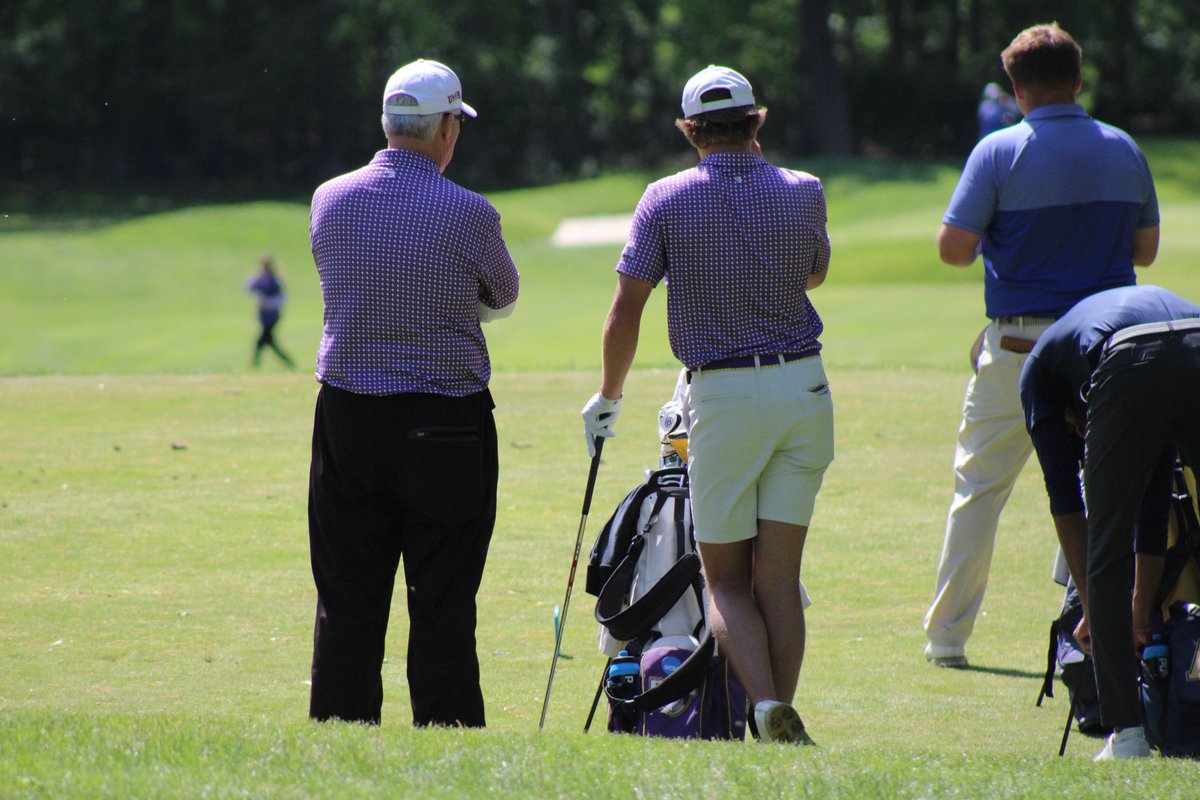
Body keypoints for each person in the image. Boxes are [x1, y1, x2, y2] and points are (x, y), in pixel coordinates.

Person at [580, 65, 834, 744]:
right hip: (805, 390)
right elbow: (812, 273)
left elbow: (624, 310)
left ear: (688, 130)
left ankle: (762, 706)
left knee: (725, 582)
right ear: (758, 123)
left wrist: (609, 396)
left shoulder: (664, 198)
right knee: (778, 579)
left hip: (723, 395)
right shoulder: (804, 190)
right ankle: (778, 715)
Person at [922, 23, 1161, 669]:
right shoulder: (1123, 147)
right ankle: (1082, 613)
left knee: (978, 490)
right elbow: (1145, 250)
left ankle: (947, 638)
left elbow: (953, 249)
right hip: (1107, 348)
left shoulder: (998, 151)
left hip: (1019, 346)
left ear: (1016, 89)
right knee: (1097, 484)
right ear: (1078, 81)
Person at [306, 59, 519, 727]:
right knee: (444, 598)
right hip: (445, 423)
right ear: (446, 128)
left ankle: (341, 738)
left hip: (348, 418)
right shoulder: (471, 213)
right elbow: (503, 296)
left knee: (348, 592)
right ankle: (449, 741)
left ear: (389, 124)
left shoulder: (329, 198)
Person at [1020, 285, 1200, 760]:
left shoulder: (1036, 374)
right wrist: (1138, 604)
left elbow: (1067, 502)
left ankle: (1127, 735)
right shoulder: (1067, 365)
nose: (1083, 435)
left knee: (1105, 547)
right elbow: (1155, 493)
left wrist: (1097, 615)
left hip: (1132, 356)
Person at [244, 254, 297, 369]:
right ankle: (290, 364)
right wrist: (256, 275)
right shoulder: (260, 278)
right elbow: (247, 287)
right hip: (263, 315)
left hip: (272, 316)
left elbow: (282, 298)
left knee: (262, 341)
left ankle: (255, 365)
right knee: (269, 342)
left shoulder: (275, 280)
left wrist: (269, 303)